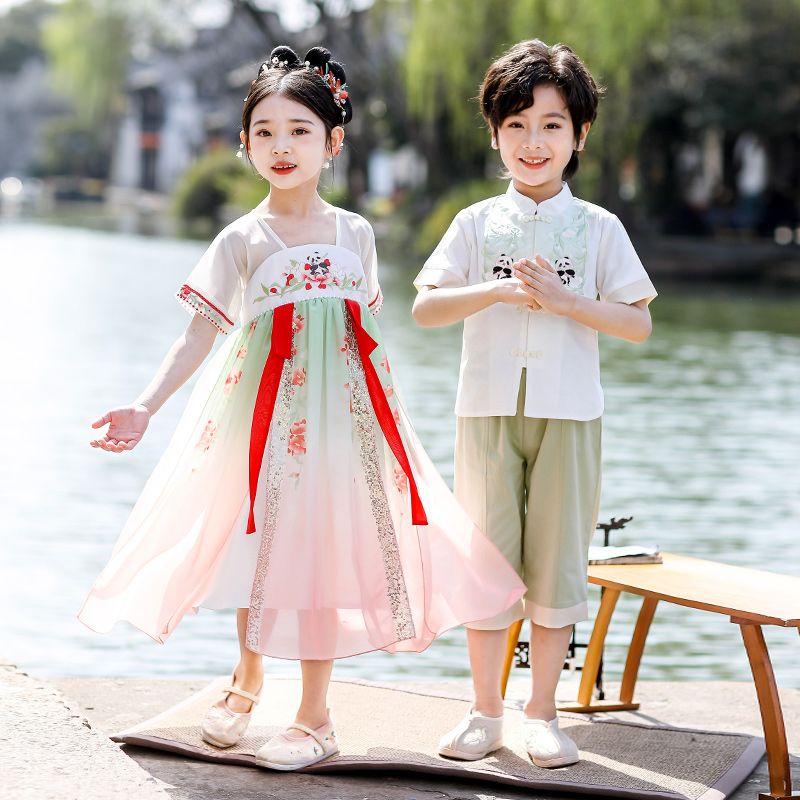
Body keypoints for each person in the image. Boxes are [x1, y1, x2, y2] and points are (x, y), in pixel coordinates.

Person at [80, 45, 525, 771]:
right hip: (256, 418)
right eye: (265, 132)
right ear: (245, 144)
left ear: (333, 142)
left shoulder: (357, 234)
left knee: (320, 551)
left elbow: (366, 336)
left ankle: (316, 718)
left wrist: (388, 432)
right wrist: (145, 405)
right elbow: (200, 332)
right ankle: (248, 679)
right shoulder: (243, 239)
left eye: (299, 131)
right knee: (259, 547)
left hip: (342, 423)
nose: (281, 147)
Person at [412, 39, 656, 768]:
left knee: (555, 567)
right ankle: (485, 712)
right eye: (515, 125)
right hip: (484, 411)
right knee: (485, 563)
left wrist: (567, 301)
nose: (533, 141)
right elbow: (425, 308)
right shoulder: (475, 223)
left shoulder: (601, 228)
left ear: (579, 135)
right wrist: (493, 289)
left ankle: (541, 713)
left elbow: (638, 323)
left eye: (551, 124)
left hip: (570, 414)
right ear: (494, 135)